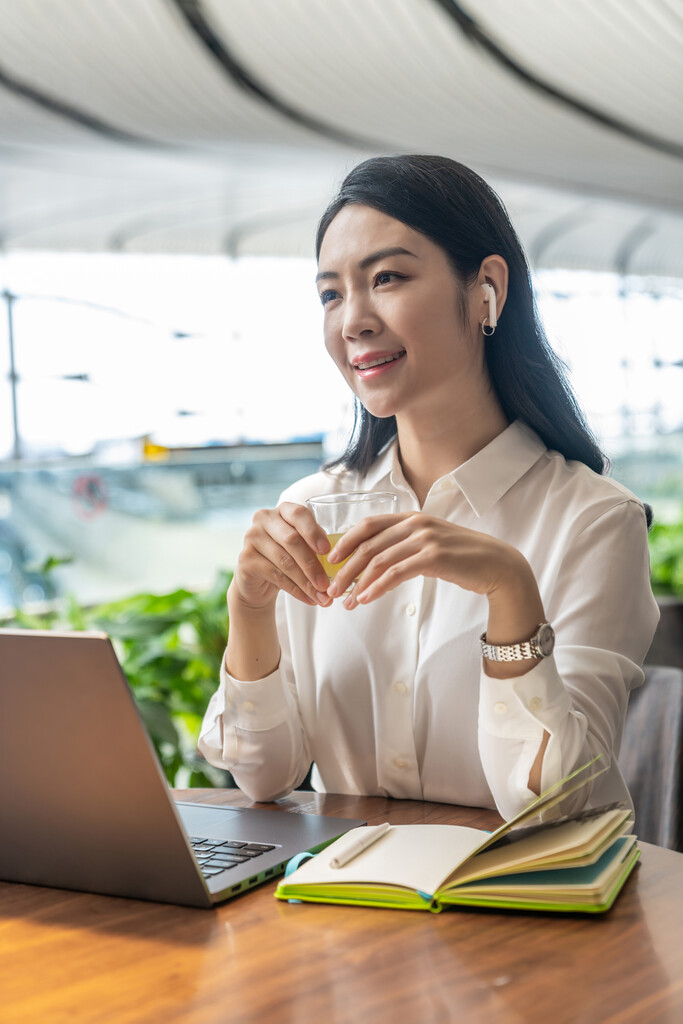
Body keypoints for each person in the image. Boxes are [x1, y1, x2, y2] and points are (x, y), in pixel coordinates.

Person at [199, 155, 659, 819]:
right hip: (348, 904)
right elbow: (263, 775)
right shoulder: (311, 511)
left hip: (525, 910)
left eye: (386, 278)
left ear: (485, 290)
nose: (352, 319)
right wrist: (248, 606)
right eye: (331, 293)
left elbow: (552, 799)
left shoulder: (591, 520)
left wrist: (510, 590)